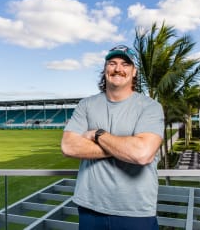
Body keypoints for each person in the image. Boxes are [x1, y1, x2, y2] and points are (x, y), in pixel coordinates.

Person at [61, 44, 164, 230]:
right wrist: (124, 146)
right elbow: (69, 147)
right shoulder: (86, 105)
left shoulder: (150, 107)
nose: (118, 69)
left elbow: (142, 153)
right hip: (90, 208)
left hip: (135, 211)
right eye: (112, 63)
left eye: (125, 64)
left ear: (134, 72)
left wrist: (97, 134)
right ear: (105, 69)